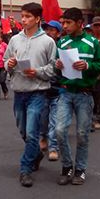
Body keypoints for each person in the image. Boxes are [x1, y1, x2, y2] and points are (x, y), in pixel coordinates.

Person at [4, 2, 56, 188]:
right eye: (22, 16)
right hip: (19, 91)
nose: (23, 20)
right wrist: (8, 64)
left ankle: (25, 169)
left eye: (27, 16)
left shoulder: (48, 42)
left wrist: (38, 71)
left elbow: (53, 68)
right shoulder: (14, 39)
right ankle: (36, 153)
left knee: (32, 132)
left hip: (38, 92)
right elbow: (6, 60)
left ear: (37, 19)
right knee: (23, 131)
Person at [54, 8, 100, 186]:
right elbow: (55, 65)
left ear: (79, 23)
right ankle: (67, 166)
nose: (65, 26)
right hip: (65, 92)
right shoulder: (62, 42)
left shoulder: (92, 43)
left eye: (68, 23)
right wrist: (57, 65)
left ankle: (80, 170)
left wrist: (88, 65)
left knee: (82, 134)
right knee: (60, 130)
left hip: (84, 94)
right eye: (63, 22)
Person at [39, 20, 62, 160]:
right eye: (47, 29)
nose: (48, 32)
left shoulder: (62, 47)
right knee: (42, 119)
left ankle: (53, 147)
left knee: (54, 120)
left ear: (58, 33)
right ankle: (43, 138)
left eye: (52, 30)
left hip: (58, 89)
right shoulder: (41, 46)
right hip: (42, 88)